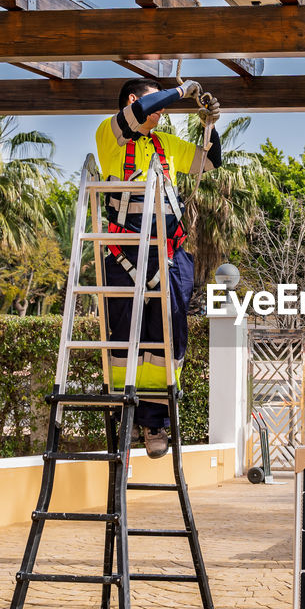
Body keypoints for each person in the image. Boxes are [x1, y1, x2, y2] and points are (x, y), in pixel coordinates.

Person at [95, 78, 222, 457]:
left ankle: (156, 423)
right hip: (126, 253)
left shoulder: (164, 145)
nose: (163, 110)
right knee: (125, 333)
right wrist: (180, 92)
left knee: (169, 333)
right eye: (157, 102)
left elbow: (210, 161)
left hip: (170, 253)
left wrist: (212, 125)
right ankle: (128, 415)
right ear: (134, 101)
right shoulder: (111, 133)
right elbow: (139, 114)